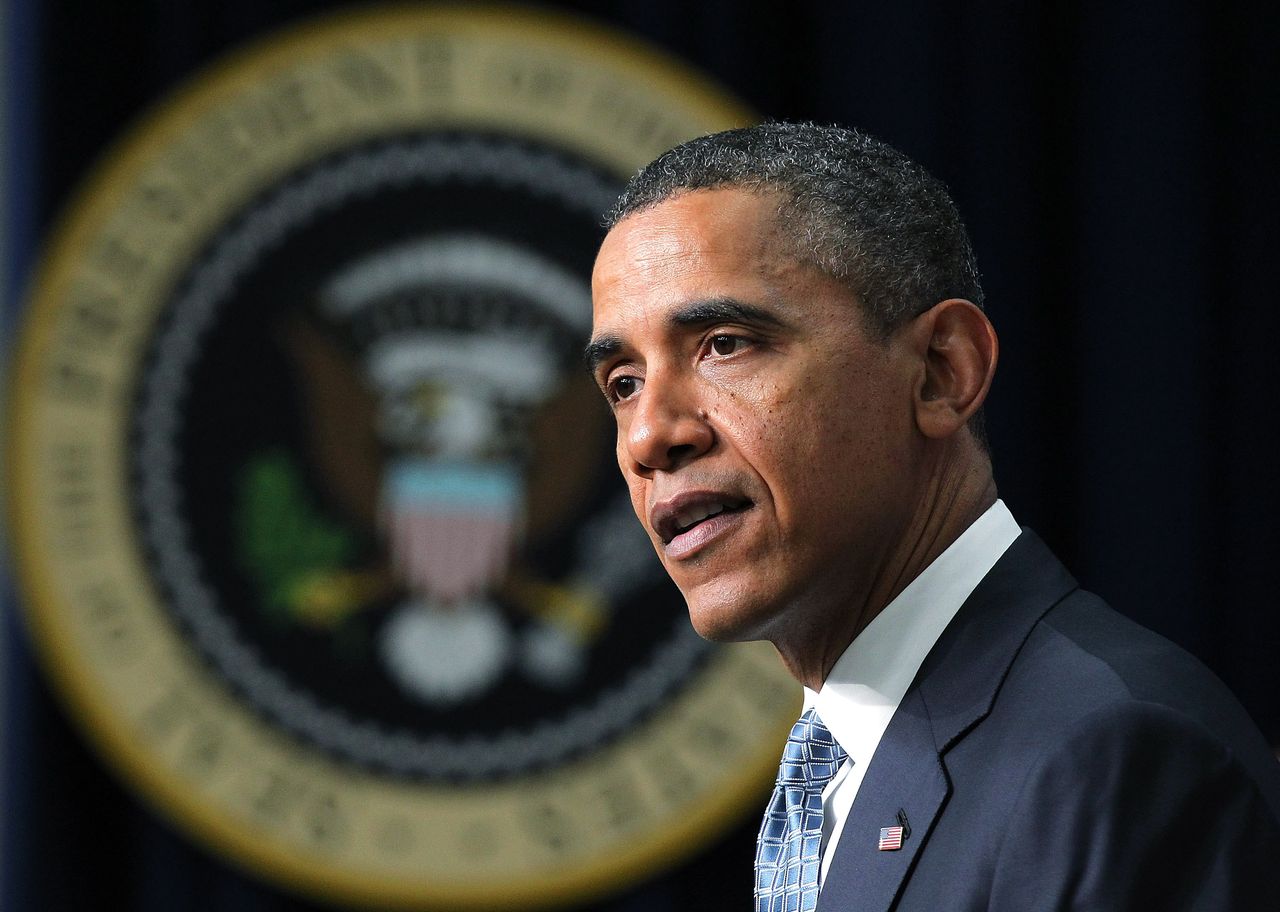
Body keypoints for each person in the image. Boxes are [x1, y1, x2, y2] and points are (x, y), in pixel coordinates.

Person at [586, 122, 1280, 911]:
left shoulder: (1113, 756)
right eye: (623, 383)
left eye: (725, 344)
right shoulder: (839, 767)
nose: (649, 436)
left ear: (943, 373)